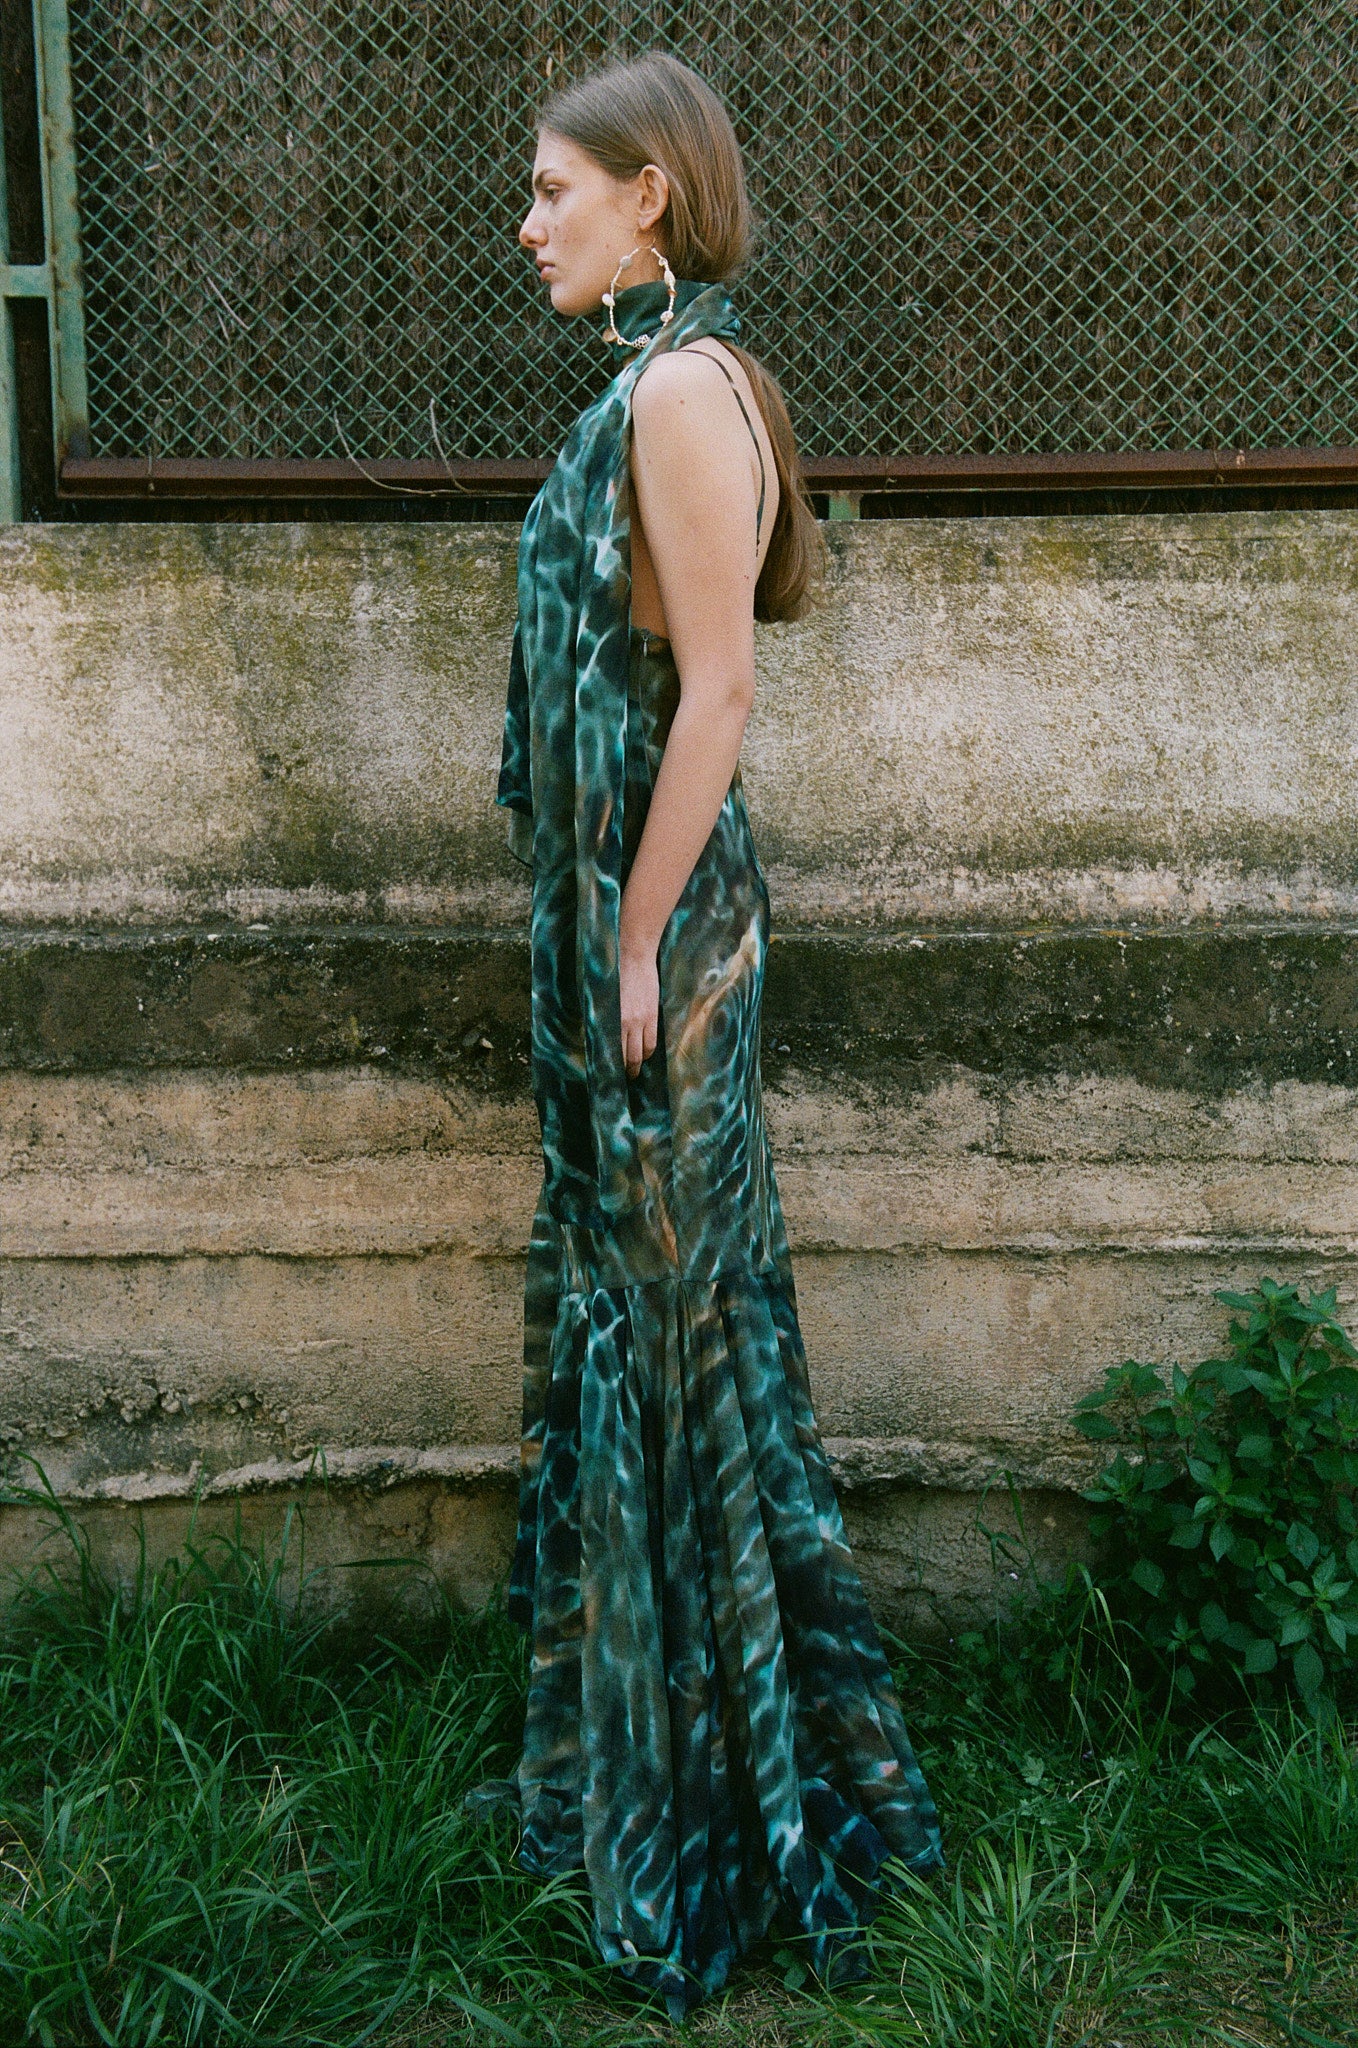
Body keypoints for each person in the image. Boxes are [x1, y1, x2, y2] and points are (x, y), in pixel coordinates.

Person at [491, 47, 943, 2021]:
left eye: (553, 190)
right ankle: (660, 1769)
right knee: (654, 1322)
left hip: (657, 933)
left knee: (673, 1339)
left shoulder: (681, 390)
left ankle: (727, 1809)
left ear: (647, 194)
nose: (530, 225)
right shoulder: (665, 380)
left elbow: (721, 692)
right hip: (626, 922)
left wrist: (632, 935)